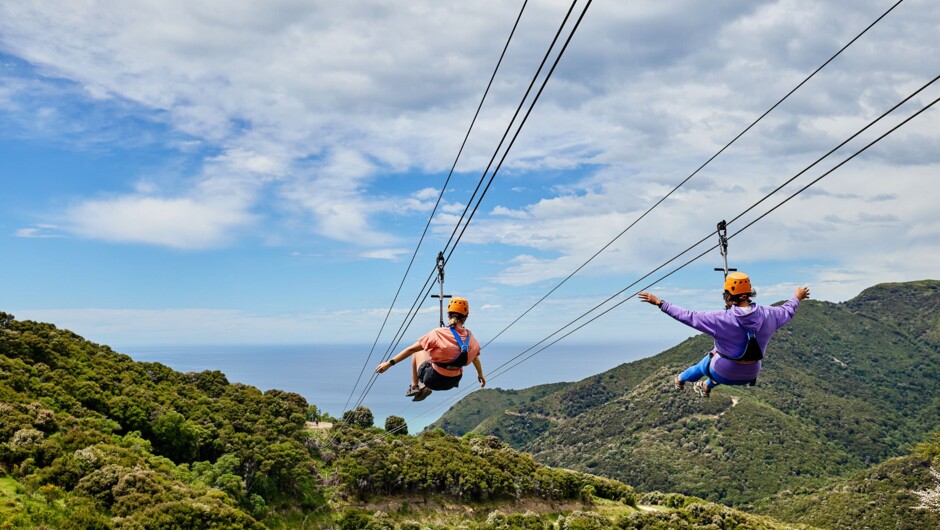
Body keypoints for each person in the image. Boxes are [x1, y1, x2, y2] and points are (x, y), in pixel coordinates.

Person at [638, 272, 810, 397]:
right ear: (748, 294)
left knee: (707, 363)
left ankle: (680, 380)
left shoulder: (720, 319)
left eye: (726, 295)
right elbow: (788, 309)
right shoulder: (770, 314)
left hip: (724, 371)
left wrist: (660, 303)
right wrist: (797, 297)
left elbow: (688, 316)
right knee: (726, 360)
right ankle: (706, 386)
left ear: (730, 296)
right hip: (752, 373)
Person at [375, 297, 486, 401]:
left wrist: (389, 364)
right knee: (439, 354)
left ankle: (415, 386)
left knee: (419, 350)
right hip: (453, 381)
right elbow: (475, 358)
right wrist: (480, 374)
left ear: (448, 315)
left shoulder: (438, 333)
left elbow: (410, 350)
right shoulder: (471, 338)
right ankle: (422, 386)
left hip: (433, 379)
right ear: (465, 317)